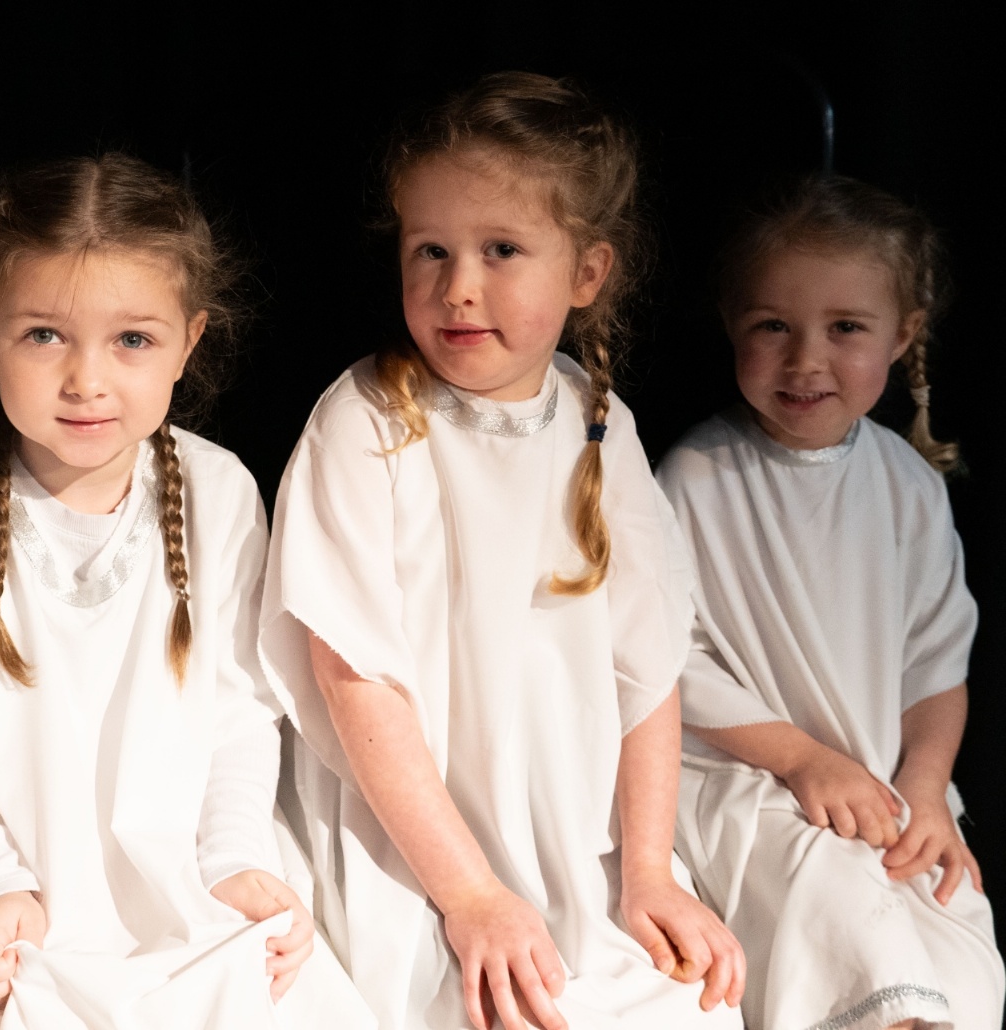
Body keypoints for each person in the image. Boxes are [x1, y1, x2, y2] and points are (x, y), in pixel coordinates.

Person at [258, 73, 746, 1030]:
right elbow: (354, 679)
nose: (458, 287)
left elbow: (646, 670)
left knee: (683, 1006)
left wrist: (650, 870)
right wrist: (471, 894)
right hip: (421, 838)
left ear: (587, 273)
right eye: (430, 250)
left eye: (502, 250)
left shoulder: (600, 423)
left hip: (572, 830)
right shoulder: (365, 422)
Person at [0, 153, 374, 1029]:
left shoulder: (219, 493)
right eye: (44, 335)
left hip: (194, 885)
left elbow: (239, 712)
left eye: (133, 341)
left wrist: (233, 857)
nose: (87, 379)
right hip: (20, 902)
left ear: (189, 340)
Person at [658, 175, 1005, 1030]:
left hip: (882, 786)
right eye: (772, 326)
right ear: (732, 324)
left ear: (903, 334)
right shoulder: (695, 478)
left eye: (845, 328)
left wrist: (926, 787)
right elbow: (666, 656)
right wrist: (802, 760)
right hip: (749, 777)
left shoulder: (908, 486)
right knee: (847, 921)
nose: (805, 360)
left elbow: (935, 661)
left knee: (950, 943)